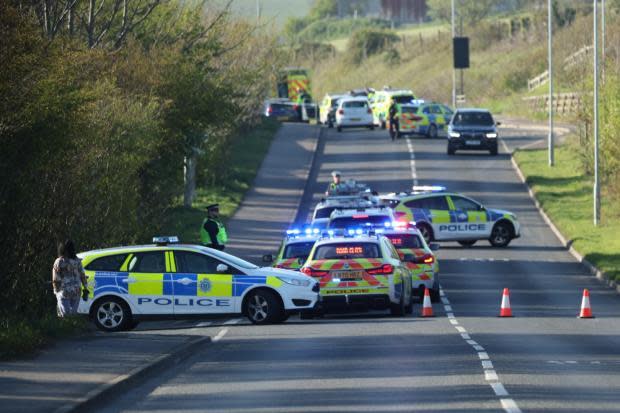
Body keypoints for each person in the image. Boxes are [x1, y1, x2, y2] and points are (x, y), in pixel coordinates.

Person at [52, 239, 88, 317]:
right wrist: (85, 287)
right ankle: (73, 327)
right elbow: (82, 275)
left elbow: (55, 279)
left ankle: (66, 327)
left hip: (64, 291)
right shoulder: (77, 261)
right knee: (73, 314)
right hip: (76, 291)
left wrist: (56, 291)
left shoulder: (59, 262)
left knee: (64, 315)